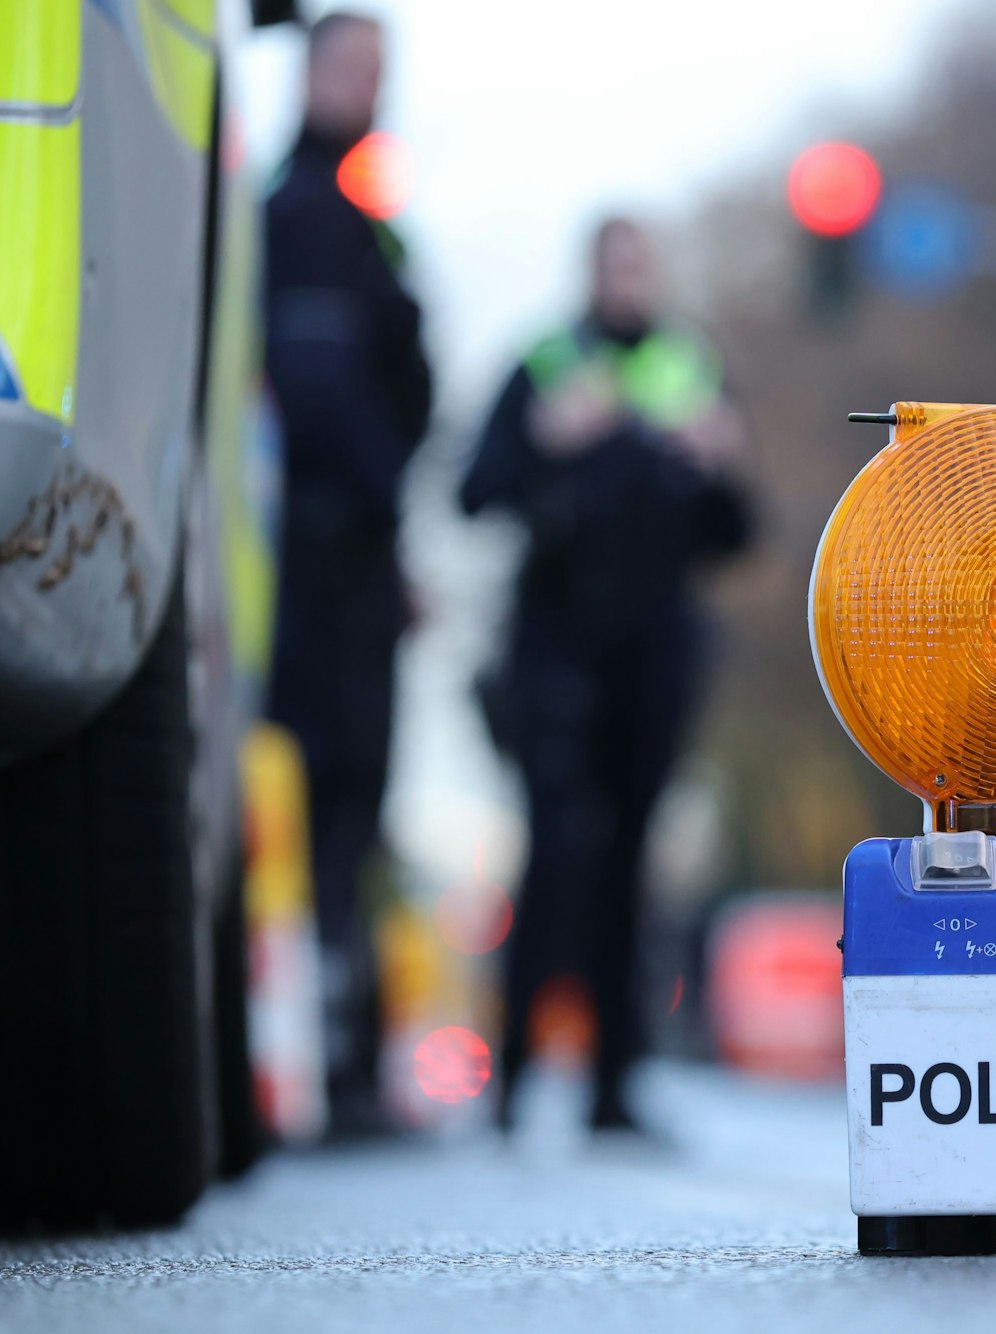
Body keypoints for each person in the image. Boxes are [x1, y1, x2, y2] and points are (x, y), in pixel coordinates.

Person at [460, 217, 752, 1133]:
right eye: (614, 265)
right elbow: (474, 491)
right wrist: (546, 440)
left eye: (640, 265)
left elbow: (736, 533)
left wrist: (721, 463)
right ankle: (512, 1079)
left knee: (630, 863)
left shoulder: (689, 371)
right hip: (556, 649)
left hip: (654, 655)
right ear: (589, 273)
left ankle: (613, 1088)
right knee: (554, 855)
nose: (628, 280)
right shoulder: (547, 365)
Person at [263, 12, 432, 1136]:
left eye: (379, 72)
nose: (369, 89)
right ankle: (324, 1059)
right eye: (353, 68)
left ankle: (341, 1055)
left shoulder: (359, 216)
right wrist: (382, 505)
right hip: (317, 557)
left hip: (349, 551)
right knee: (326, 794)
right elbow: (323, 391)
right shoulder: (303, 210)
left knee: (351, 803)